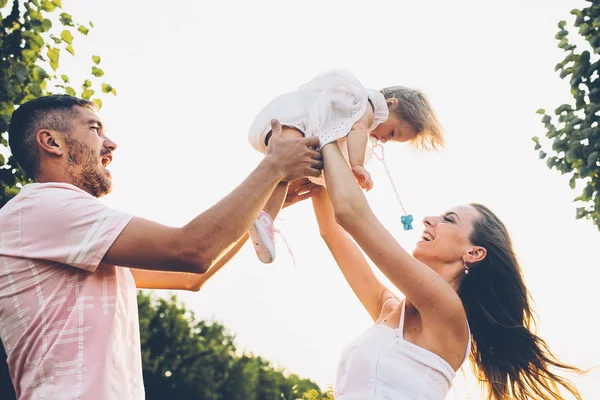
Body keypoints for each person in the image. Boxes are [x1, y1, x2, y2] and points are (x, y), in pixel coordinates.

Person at [0, 94, 323, 400]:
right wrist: (272, 168)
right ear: (52, 142)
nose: (111, 144)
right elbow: (191, 250)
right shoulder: (44, 206)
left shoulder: (65, 234)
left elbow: (190, 276)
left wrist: (265, 196)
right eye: (94, 129)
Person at [309, 132, 583, 399]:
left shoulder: (447, 311)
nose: (428, 219)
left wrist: (329, 133)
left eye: (448, 220)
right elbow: (333, 233)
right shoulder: (391, 309)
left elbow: (350, 213)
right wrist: (316, 174)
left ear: (474, 253)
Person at [247, 69, 443, 264]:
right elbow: (357, 130)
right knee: (288, 167)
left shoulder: (352, 114)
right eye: (391, 133)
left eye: (390, 140)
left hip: (289, 123)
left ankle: (264, 220)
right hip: (294, 119)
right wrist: (357, 165)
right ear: (390, 104)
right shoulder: (367, 106)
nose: (383, 140)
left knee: (287, 172)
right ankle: (264, 218)